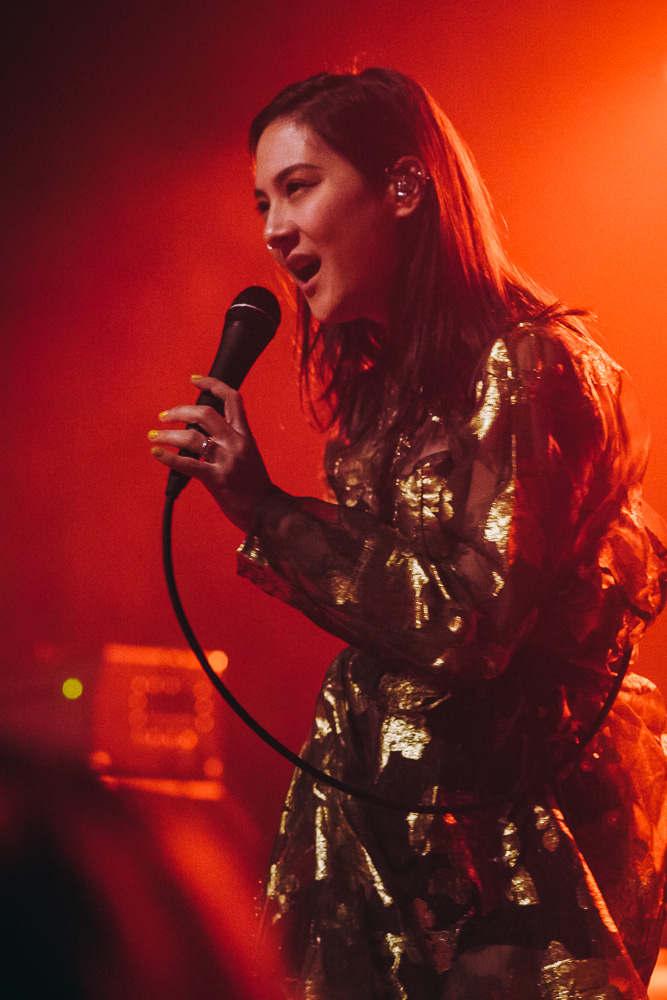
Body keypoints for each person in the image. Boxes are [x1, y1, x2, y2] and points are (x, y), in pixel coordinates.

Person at [148, 68, 667, 999]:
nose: (272, 229)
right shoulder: (388, 392)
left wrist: (268, 512)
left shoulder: (534, 362)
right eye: (263, 201)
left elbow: (472, 629)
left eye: (298, 187)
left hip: (510, 868)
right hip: (393, 840)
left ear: (401, 187)